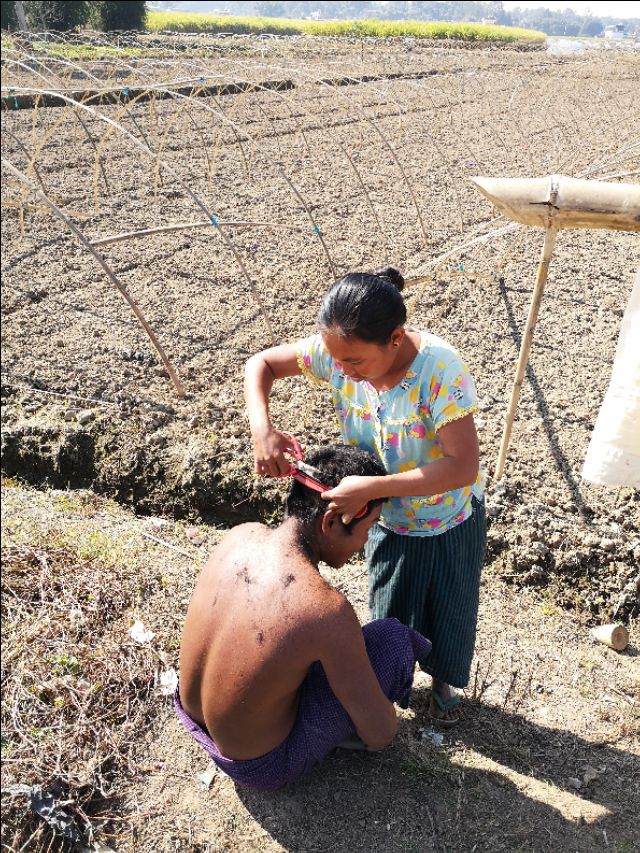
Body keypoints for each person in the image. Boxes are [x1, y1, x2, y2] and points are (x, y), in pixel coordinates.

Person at [244, 268, 486, 727]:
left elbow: (462, 467)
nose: (343, 371)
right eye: (337, 361)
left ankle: (443, 686)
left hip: (446, 515)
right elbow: (262, 364)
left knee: (450, 608)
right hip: (385, 519)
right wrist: (262, 428)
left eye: (354, 362)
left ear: (395, 339)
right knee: (390, 607)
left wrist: (374, 487)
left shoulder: (439, 371)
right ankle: (394, 685)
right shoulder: (339, 353)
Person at [176, 444, 432, 791]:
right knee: (393, 641)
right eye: (370, 526)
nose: (366, 541)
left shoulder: (240, 535)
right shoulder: (324, 610)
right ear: (331, 521)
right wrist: (379, 718)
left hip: (192, 721)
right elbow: (381, 733)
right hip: (259, 766)